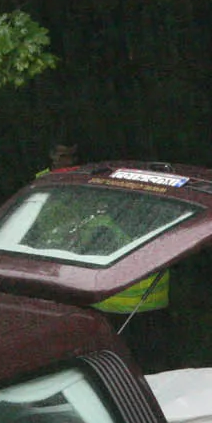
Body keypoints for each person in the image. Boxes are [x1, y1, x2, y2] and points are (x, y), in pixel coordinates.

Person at [36, 141, 174, 370]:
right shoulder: (158, 202)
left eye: (72, 156)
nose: (68, 161)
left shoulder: (106, 214)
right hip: (126, 303)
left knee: (130, 365)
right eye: (63, 156)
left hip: (128, 303)